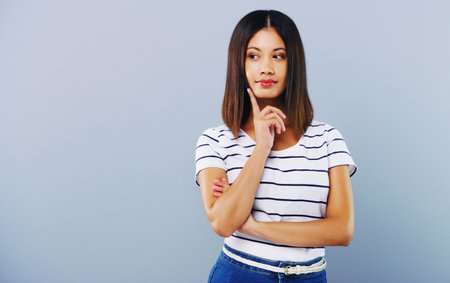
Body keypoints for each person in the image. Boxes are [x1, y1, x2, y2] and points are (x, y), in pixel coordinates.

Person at [195, 10, 357, 283]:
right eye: (254, 56)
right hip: (239, 274)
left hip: (309, 276)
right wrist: (261, 148)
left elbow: (342, 230)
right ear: (239, 64)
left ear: (293, 63)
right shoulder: (215, 140)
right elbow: (223, 223)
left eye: (278, 55)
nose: (266, 68)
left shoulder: (327, 139)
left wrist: (254, 227)